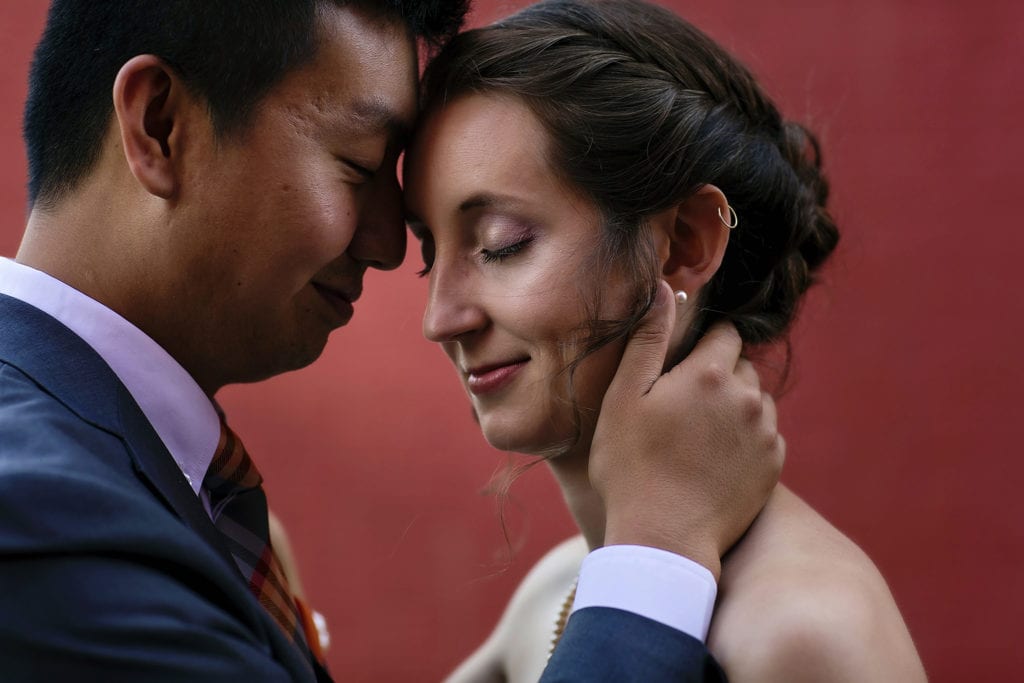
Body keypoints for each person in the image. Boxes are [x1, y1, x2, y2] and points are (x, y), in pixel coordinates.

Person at [0, 1, 784, 681]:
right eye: (356, 165)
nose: (384, 245)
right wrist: (656, 558)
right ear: (161, 125)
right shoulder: (40, 510)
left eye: (502, 240)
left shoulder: (163, 494)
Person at [403, 0, 927, 680]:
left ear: (684, 244)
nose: (440, 318)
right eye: (427, 249)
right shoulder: (557, 593)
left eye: (502, 243)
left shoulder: (801, 634)